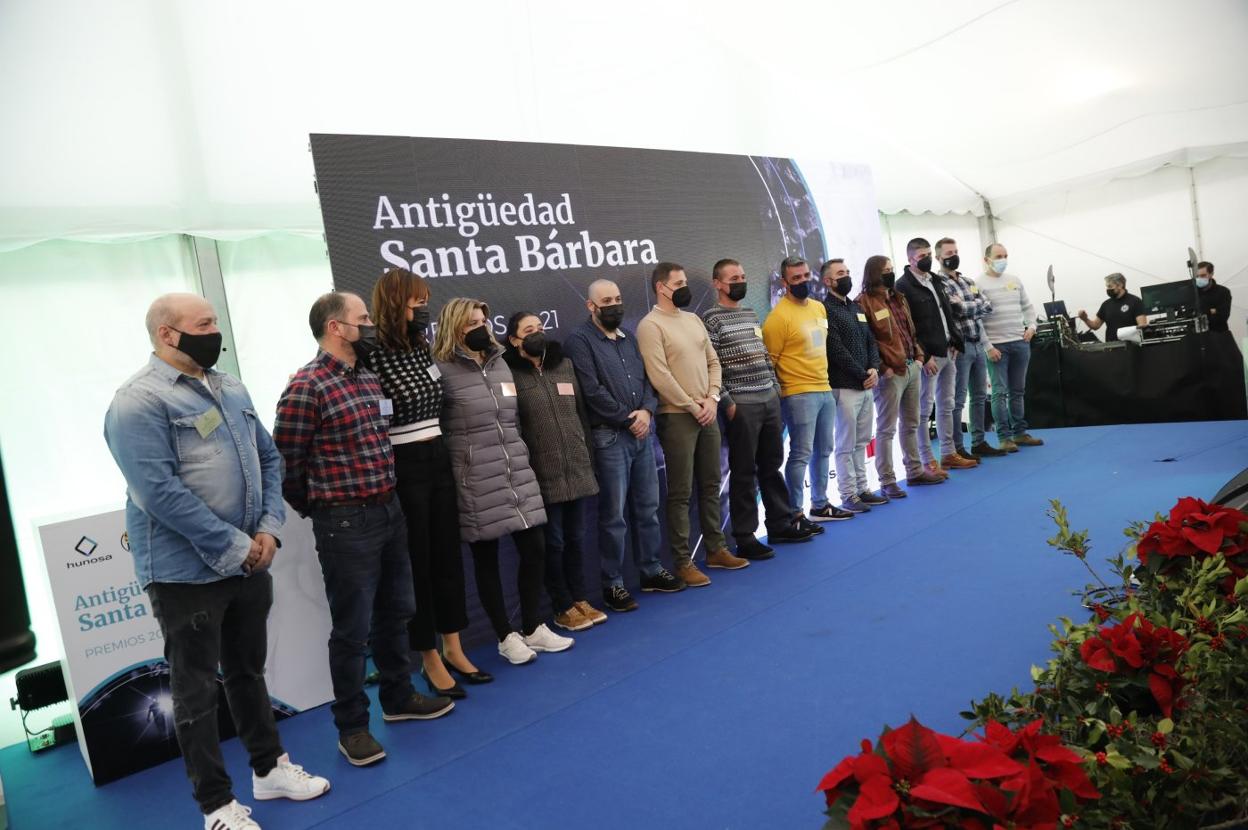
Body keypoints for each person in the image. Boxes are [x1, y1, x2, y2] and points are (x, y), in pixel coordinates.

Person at [106, 293, 330, 830]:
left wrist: (268, 530)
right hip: (185, 572)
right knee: (196, 690)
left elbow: (268, 457)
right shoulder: (137, 401)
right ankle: (215, 805)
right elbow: (156, 492)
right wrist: (236, 546)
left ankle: (268, 768)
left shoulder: (229, 385)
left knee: (249, 671)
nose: (215, 331)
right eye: (204, 323)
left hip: (251, 559)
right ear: (167, 334)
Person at [275, 291, 453, 768]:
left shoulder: (369, 377)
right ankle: (352, 727)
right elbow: (286, 463)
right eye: (362, 319)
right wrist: (321, 508)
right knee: (352, 629)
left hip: (389, 508)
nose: (370, 326)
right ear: (337, 327)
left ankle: (398, 699)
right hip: (345, 519)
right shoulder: (307, 387)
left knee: (398, 610)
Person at [364, 269, 490, 702]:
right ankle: (428, 653)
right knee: (417, 562)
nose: (423, 311)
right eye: (417, 303)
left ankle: (454, 644)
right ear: (395, 302)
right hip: (402, 462)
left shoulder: (420, 346)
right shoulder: (373, 352)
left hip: (438, 453)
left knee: (446, 556)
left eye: (425, 302)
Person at [432, 298, 575, 665]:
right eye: (471, 323)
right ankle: (504, 635)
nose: (481, 327)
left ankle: (532, 627)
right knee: (486, 559)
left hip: (516, 472)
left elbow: (512, 419)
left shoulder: (498, 363)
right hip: (475, 477)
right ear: (453, 327)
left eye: (483, 320)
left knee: (535, 549)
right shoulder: (441, 369)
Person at [564, 279, 684, 613]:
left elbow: (647, 379)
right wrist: (628, 418)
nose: (614, 304)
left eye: (618, 298)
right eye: (606, 300)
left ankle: (650, 570)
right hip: (610, 437)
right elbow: (590, 390)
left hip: (643, 433)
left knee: (647, 508)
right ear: (591, 306)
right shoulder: (579, 341)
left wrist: (646, 410)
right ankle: (613, 584)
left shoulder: (629, 338)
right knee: (613, 516)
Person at [638, 261, 747, 586]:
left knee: (711, 484)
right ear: (662, 287)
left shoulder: (693, 319)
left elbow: (713, 361)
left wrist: (712, 398)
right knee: (681, 492)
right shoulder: (650, 325)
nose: (685, 287)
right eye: (679, 282)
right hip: (676, 416)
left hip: (707, 411)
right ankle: (683, 561)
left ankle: (716, 549)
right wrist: (691, 405)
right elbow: (659, 375)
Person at [701, 259, 815, 558]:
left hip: (768, 399)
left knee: (772, 464)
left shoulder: (751, 313)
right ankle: (745, 536)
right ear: (717, 283)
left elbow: (764, 354)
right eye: (733, 278)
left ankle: (778, 523)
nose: (740, 281)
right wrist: (727, 402)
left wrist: (775, 388)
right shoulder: (710, 320)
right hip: (741, 405)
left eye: (742, 276)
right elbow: (710, 364)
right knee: (743, 472)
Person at [502, 310, 606, 632]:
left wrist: (588, 456)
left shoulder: (564, 364)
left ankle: (580, 598)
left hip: (577, 467)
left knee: (577, 538)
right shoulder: (509, 374)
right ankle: (561, 605)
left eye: (540, 327)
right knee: (555, 543)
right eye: (528, 330)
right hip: (541, 474)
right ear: (515, 340)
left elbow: (581, 416)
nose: (537, 333)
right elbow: (514, 427)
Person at [762, 256, 853, 527]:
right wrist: (784, 392)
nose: (802, 282)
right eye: (796, 278)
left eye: (804, 276)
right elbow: (771, 363)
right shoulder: (777, 319)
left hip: (824, 388)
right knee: (800, 453)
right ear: (784, 282)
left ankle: (820, 504)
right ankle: (794, 513)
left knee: (824, 450)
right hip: (798, 393)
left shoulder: (818, 308)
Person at [857, 257, 943, 494]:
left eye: (891, 270)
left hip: (911, 367)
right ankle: (887, 480)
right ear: (874, 274)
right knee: (886, 429)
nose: (890, 274)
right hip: (890, 374)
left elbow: (909, 331)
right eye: (886, 271)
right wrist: (884, 369)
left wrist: (918, 357)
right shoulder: (863, 303)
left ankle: (914, 472)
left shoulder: (898, 297)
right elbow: (868, 341)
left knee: (912, 423)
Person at [896, 238, 971, 479]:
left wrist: (956, 340)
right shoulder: (903, 286)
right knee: (924, 409)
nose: (927, 258)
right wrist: (923, 355)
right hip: (927, 356)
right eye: (921, 256)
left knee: (947, 404)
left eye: (929, 254)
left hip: (948, 349)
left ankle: (948, 453)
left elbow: (946, 313)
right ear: (910, 260)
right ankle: (927, 460)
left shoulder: (935, 279)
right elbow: (907, 327)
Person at [820, 259, 888, 513]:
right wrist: (862, 373)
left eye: (848, 272)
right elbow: (835, 349)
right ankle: (848, 494)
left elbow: (871, 340)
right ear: (828, 281)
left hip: (866, 385)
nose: (846, 277)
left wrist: (873, 368)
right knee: (846, 443)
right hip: (845, 385)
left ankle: (863, 488)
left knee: (862, 441)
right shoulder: (825, 310)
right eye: (840, 274)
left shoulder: (856, 307)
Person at [935, 238, 1006, 460]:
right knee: (957, 401)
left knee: (978, 396)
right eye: (948, 252)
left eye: (955, 251)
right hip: (960, 346)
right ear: (939, 257)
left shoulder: (967, 281)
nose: (953, 255)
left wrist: (968, 306)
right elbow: (954, 309)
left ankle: (979, 441)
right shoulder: (940, 283)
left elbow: (987, 305)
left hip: (977, 342)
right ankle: (957, 447)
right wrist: (972, 306)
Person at [979, 244, 1044, 450]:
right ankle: (1004, 438)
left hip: (1020, 342)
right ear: (986, 259)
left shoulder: (1015, 280)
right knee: (999, 393)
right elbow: (976, 319)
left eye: (1005, 255)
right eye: (998, 256)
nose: (1003, 259)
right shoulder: (977, 283)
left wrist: (1032, 326)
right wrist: (988, 346)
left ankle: (1020, 433)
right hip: (996, 346)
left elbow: (1027, 307)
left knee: (1018, 391)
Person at [1077, 273, 1147, 342]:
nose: (1107, 289)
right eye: (1107, 287)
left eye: (1110, 286)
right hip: (1111, 348)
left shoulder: (1135, 301)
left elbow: (1142, 326)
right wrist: (1085, 319)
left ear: (1120, 285)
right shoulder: (1106, 304)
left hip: (1132, 347)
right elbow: (1095, 325)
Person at [1196, 262, 1233, 333]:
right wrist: (1211, 311)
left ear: (1211, 274)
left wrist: (1204, 312)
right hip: (1197, 337)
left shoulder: (1223, 292)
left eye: (1203, 275)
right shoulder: (1192, 293)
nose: (1199, 278)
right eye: (1197, 276)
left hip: (1219, 335)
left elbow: (1222, 317)